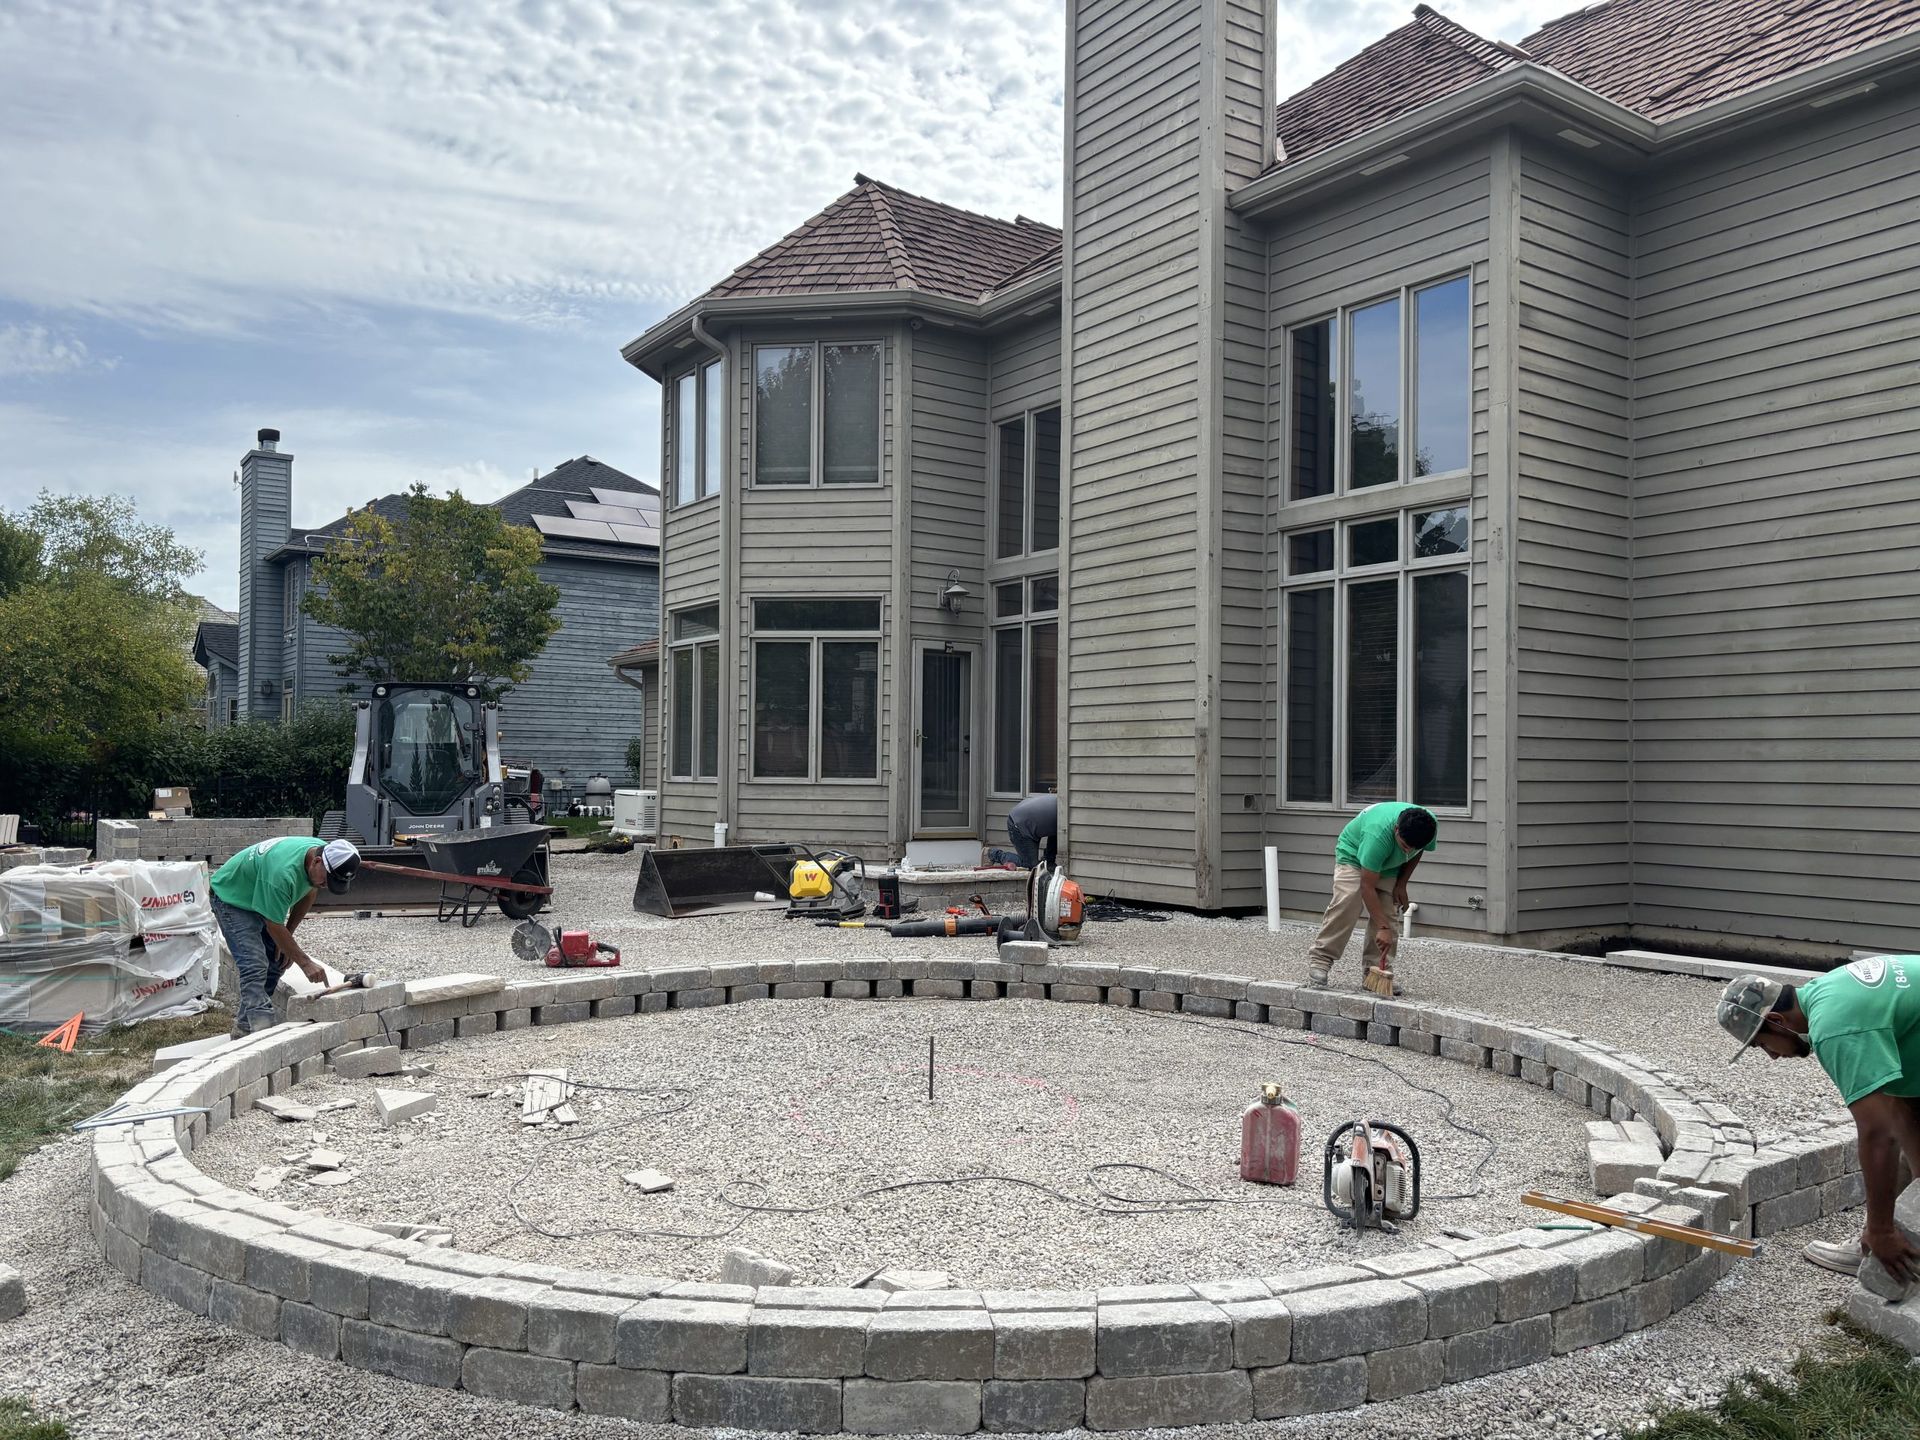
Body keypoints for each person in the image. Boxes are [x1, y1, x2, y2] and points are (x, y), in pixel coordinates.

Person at [1719, 961, 1920, 1284]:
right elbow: (1902, 1105)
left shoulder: (1835, 1027)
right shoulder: (1827, 990)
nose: (1771, 1056)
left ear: (1775, 1020)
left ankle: (1880, 1239)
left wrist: (1880, 1229)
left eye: (1762, 1044)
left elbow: (1878, 1133)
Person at [209, 836, 360, 1037]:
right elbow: (272, 924)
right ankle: (260, 1033)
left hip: (259, 894)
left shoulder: (320, 856)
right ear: (316, 862)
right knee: (254, 964)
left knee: (276, 961)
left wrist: (287, 936)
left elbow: (309, 892)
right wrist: (305, 963)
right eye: (327, 879)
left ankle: (245, 1028)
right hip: (232, 898)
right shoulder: (282, 875)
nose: (325, 885)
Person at [1304, 802, 1438, 990]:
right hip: (1355, 857)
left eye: (1412, 848)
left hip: (1390, 865)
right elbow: (1367, 886)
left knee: (1388, 914)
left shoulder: (1428, 825)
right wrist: (1381, 927)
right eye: (1405, 845)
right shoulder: (1377, 833)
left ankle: (1373, 973)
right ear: (1396, 829)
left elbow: (1417, 850)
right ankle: (1321, 960)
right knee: (1348, 902)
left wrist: (1402, 883)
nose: (1407, 851)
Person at [1006, 793, 1058, 870]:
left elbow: (1054, 835)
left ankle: (1046, 861)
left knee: (1037, 865)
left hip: (1029, 817)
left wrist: (1049, 861)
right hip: (1018, 824)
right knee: (1030, 865)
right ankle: (994, 854)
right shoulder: (1061, 815)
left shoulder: (1061, 804)